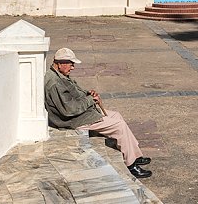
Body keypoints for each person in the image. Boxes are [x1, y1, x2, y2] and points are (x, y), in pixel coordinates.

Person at [44, 47, 152, 179]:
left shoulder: (60, 75)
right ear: (60, 63)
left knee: (116, 115)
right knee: (119, 125)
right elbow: (69, 110)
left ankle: (134, 155)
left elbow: (74, 94)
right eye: (71, 64)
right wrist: (90, 100)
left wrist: (88, 94)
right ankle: (131, 165)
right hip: (75, 120)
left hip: (81, 114)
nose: (73, 67)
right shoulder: (55, 83)